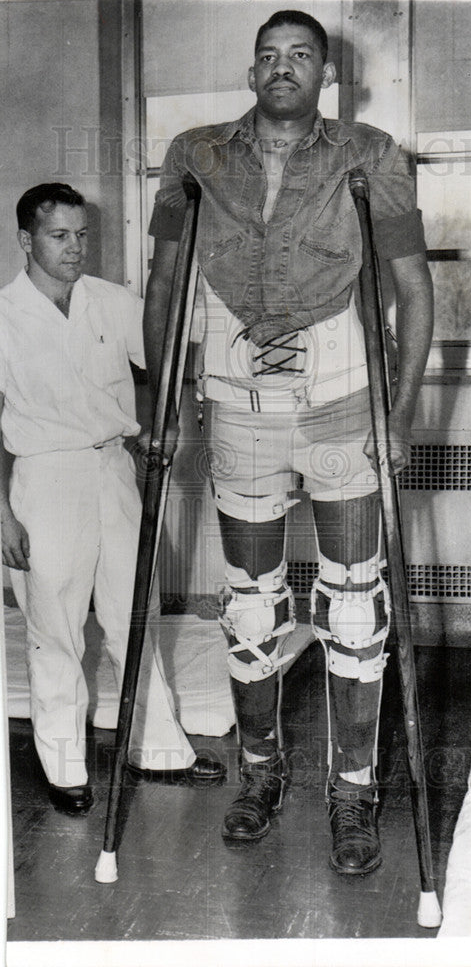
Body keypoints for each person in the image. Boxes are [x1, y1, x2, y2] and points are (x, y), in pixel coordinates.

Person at [144, 10, 433, 875]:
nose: (282, 69)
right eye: (268, 56)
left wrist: (401, 409)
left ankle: (352, 792)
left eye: (300, 56)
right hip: (239, 408)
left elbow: (412, 287)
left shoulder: (372, 154)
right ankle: (259, 775)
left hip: (344, 401)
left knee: (351, 604)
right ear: (251, 71)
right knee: (250, 604)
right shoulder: (194, 155)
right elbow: (163, 283)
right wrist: (161, 405)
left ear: (325, 73)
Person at [0, 183, 225, 816]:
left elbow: (165, 357)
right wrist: (2, 514)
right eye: (58, 236)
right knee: (56, 631)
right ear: (26, 240)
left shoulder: (111, 301)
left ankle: (155, 748)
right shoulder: (5, 315)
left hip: (113, 470)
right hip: (44, 480)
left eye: (81, 235)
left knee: (135, 613)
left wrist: (164, 419)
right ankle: (65, 766)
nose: (74, 248)